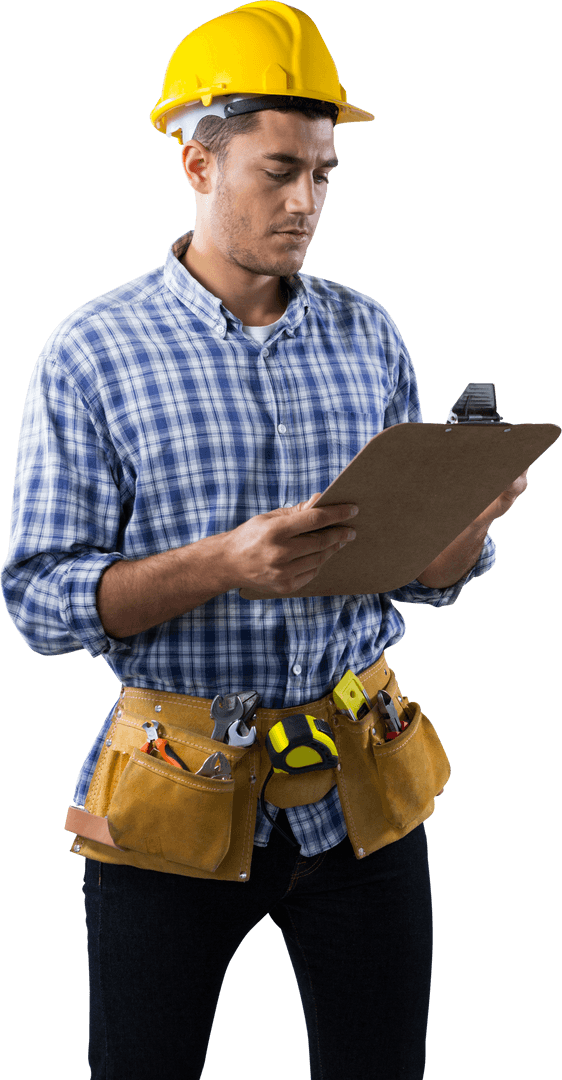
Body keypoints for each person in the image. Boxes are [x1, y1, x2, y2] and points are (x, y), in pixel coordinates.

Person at [1, 4, 529, 1078]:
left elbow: (416, 582)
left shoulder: (367, 330)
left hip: (363, 791)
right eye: (277, 170)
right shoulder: (91, 353)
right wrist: (221, 566)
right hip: (170, 803)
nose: (306, 202)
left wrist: (459, 530)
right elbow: (40, 604)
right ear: (198, 162)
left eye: (323, 173)